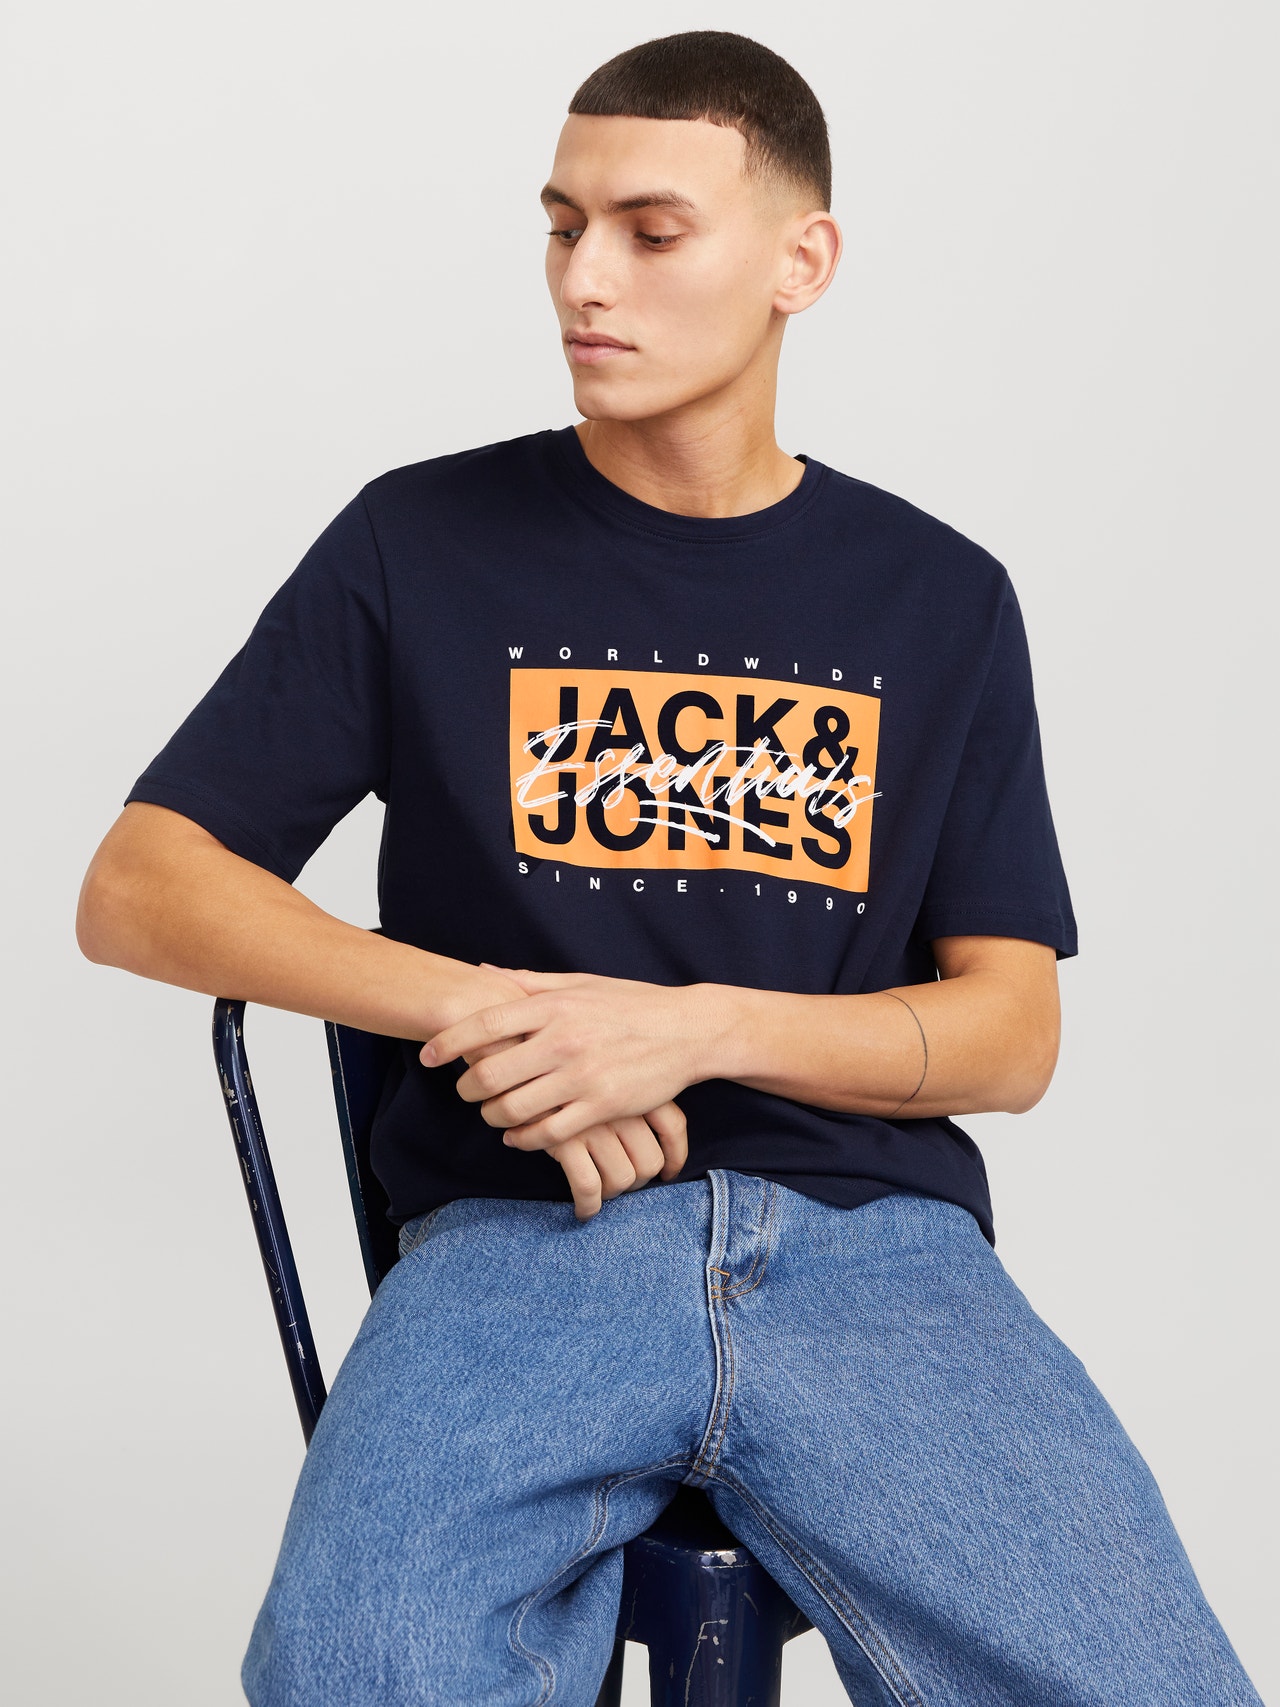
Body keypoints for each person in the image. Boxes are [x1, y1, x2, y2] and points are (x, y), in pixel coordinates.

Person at [76, 29, 1263, 1707]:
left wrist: (692, 1028)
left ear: (801, 261)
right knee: (351, 1666)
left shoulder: (939, 597)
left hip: (876, 1257)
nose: (584, 279)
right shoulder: (419, 542)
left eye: (650, 231)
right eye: (562, 226)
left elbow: (1011, 1035)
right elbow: (140, 884)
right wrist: (508, 1014)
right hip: (525, 1238)